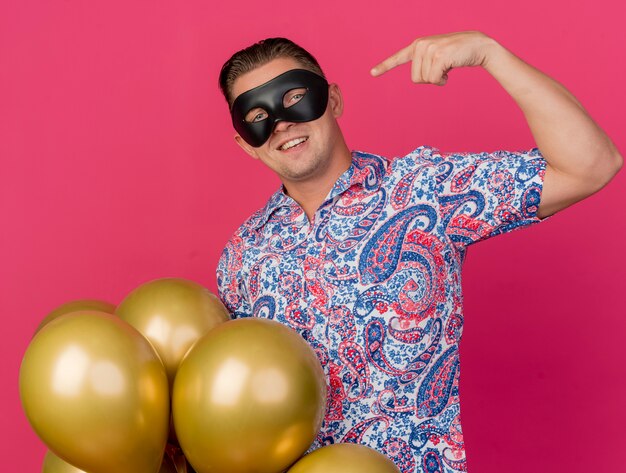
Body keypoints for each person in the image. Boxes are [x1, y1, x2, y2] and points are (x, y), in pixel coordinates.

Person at [216, 32, 622, 472]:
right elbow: (232, 405)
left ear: (333, 100)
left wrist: (492, 54)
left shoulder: (426, 192)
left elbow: (592, 165)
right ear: (244, 143)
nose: (281, 123)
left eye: (294, 97)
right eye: (257, 116)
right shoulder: (242, 256)